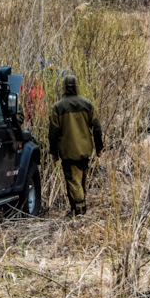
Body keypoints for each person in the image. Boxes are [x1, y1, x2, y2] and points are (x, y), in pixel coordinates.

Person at [48, 75, 103, 218]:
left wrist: (54, 152)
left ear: (63, 88)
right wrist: (99, 147)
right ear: (77, 86)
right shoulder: (88, 104)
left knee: (73, 181)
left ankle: (79, 212)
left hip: (69, 151)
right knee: (81, 180)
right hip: (85, 149)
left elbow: (53, 132)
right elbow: (96, 127)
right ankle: (75, 209)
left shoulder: (58, 107)